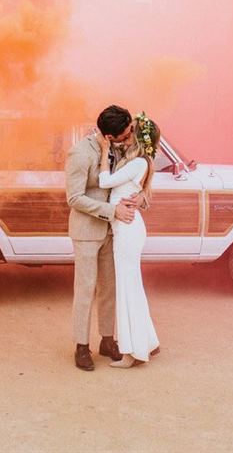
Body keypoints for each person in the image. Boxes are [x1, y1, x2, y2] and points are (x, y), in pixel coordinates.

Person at [65, 105, 147, 371]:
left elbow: (132, 181)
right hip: (87, 232)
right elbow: (74, 198)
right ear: (110, 136)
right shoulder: (80, 153)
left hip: (114, 232)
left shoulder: (120, 148)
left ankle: (107, 340)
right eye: (125, 134)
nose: (129, 137)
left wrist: (141, 197)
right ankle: (81, 346)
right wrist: (113, 211)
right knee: (86, 290)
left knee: (110, 289)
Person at [96, 111, 160, 368]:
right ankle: (148, 341)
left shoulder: (137, 163)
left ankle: (133, 353)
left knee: (127, 288)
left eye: (131, 130)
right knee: (132, 287)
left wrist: (103, 151)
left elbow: (104, 182)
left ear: (139, 137)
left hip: (127, 229)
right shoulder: (137, 161)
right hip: (128, 228)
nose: (126, 135)